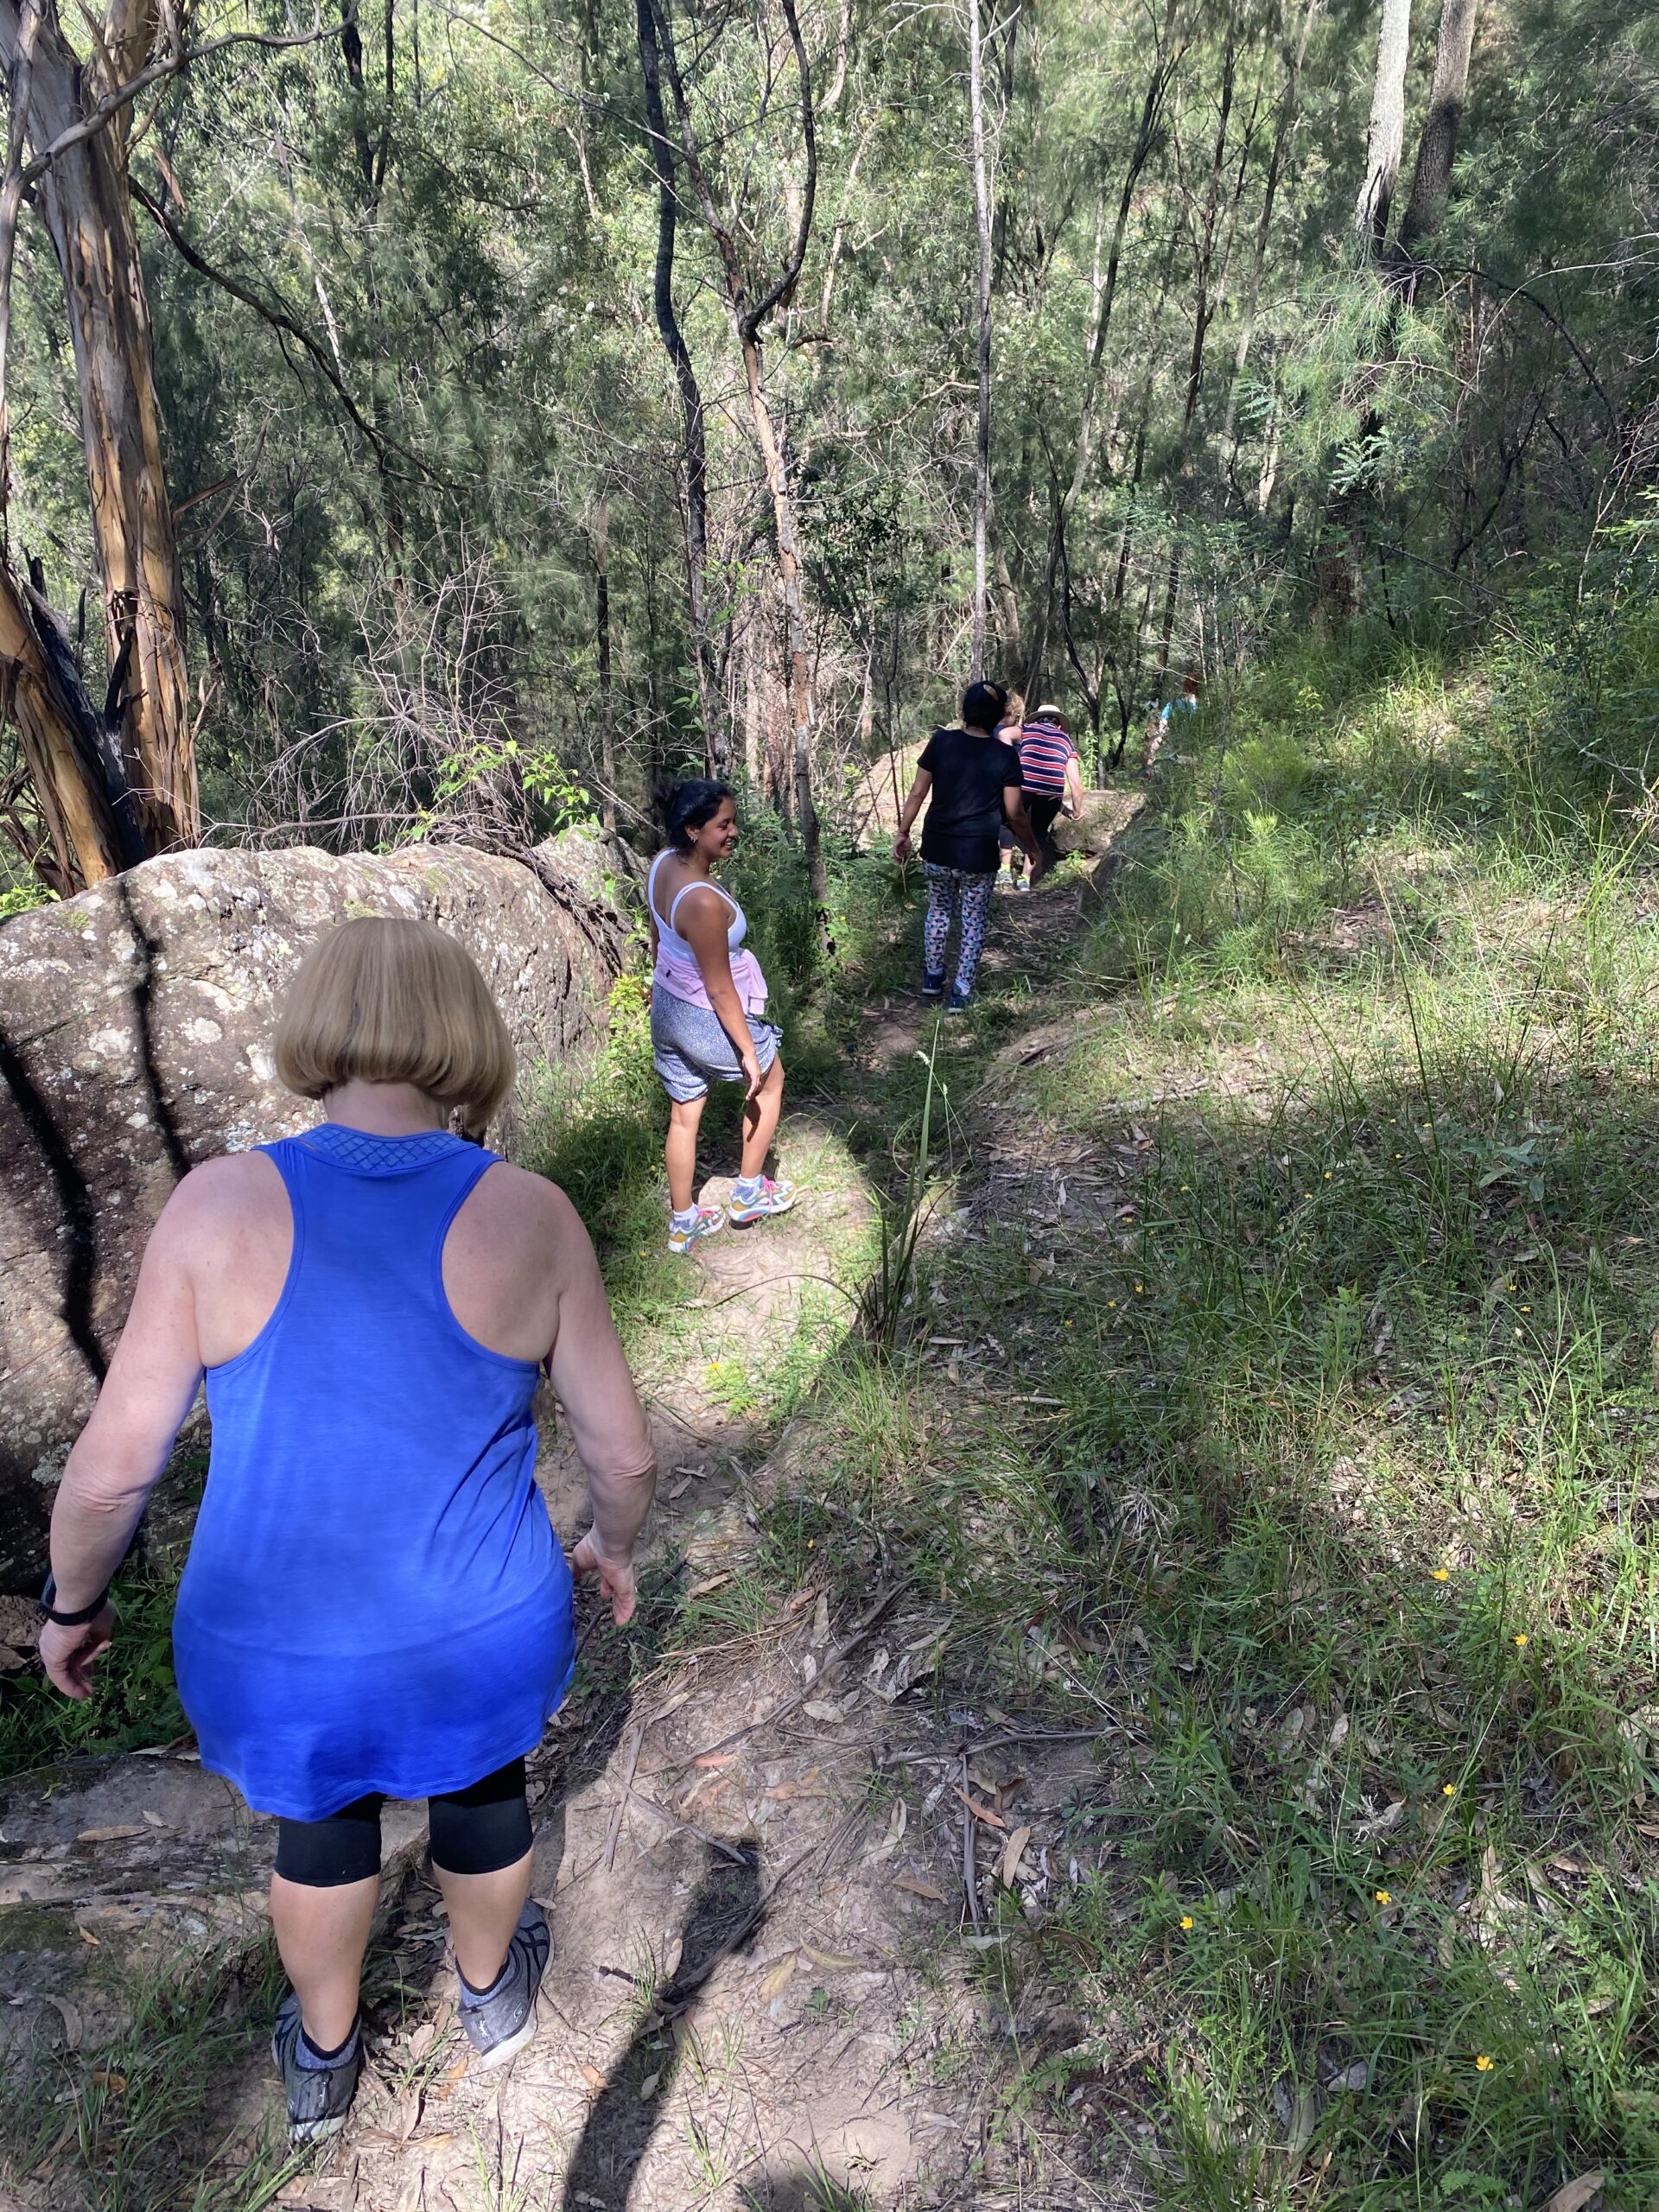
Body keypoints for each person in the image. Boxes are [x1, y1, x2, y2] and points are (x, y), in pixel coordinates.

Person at [37, 917, 657, 2142]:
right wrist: (612, 1543)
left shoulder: (219, 1203)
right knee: (487, 1789)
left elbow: (113, 1475)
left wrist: (72, 1605)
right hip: (478, 1625)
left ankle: (325, 2060)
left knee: (319, 1828)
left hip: (281, 1646)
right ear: (464, 1036)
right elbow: (621, 1451)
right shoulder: (532, 1213)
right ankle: (490, 2000)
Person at [648, 777, 794, 1255]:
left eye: (733, 822)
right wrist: (750, 1052)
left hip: (667, 1003)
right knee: (770, 1081)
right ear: (693, 830)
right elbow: (719, 986)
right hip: (700, 1011)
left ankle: (684, 1221)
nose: (733, 832)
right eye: (723, 825)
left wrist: (659, 993)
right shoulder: (704, 901)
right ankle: (749, 1193)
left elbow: (659, 939)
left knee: (684, 1114)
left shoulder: (662, 866)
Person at [892, 680, 1045, 1012]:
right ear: (999, 716)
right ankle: (960, 992)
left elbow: (918, 794)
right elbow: (1016, 813)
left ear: (965, 711)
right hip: (979, 854)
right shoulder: (1004, 755)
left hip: (938, 848)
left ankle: (933, 979)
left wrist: (903, 833)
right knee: (973, 921)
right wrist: (1032, 848)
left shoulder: (941, 742)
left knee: (938, 911)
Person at [1007, 702, 1084, 887]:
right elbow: (1075, 784)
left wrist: (1008, 759)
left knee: (1007, 823)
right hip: (1050, 794)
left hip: (1023, 787)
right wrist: (1076, 811)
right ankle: (1025, 880)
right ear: (1058, 724)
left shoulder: (1027, 729)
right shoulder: (1066, 741)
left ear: (1038, 720)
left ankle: (1002, 871)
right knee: (1038, 834)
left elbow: (1004, 734)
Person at [994, 689, 1027, 893]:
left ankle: (999, 869)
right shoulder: (1007, 735)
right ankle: (1005, 869)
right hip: (1004, 785)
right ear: (1012, 713)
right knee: (1007, 824)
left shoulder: (986, 730)